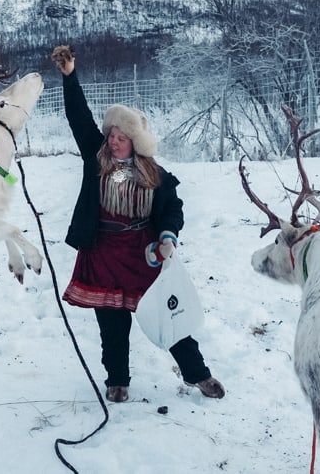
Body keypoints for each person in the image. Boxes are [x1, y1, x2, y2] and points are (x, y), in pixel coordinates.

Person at [51, 45, 225, 403]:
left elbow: (172, 210)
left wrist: (167, 236)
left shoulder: (154, 174)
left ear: (134, 142)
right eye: (111, 135)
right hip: (101, 252)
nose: (113, 142)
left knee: (167, 314)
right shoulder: (95, 158)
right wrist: (70, 76)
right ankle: (118, 381)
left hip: (142, 254)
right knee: (111, 324)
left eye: (121, 137)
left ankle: (198, 374)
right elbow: (78, 116)